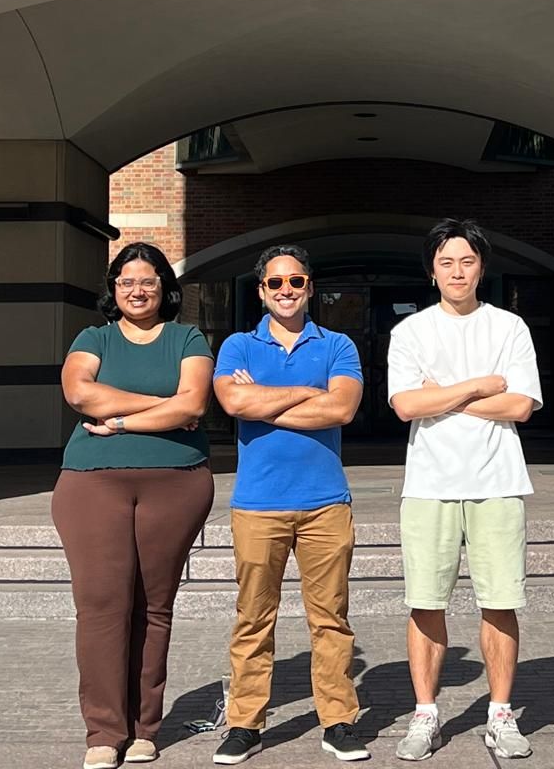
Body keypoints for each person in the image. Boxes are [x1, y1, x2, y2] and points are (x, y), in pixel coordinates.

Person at [54, 241, 217, 769]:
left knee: (153, 604)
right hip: (91, 484)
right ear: (113, 290)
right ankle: (104, 731)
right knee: (101, 605)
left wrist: (122, 418)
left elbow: (194, 403)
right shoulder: (93, 337)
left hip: (176, 482)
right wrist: (161, 407)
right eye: (126, 282)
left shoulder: (186, 336)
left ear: (164, 288)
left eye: (147, 281)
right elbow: (80, 395)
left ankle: (145, 727)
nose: (137, 290)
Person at [386, 218, 543, 761]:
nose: (457, 271)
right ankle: (425, 714)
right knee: (426, 602)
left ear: (482, 266)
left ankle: (500, 714)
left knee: (500, 601)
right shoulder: (409, 332)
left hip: (498, 480)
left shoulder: (509, 327)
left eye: (467, 261)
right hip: (429, 483)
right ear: (431, 271)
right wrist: (479, 385)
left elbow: (519, 406)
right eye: (446, 262)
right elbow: (406, 405)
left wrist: (443, 394)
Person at [210, 244, 369, 764]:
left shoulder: (339, 344)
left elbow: (342, 408)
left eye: (295, 282)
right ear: (261, 290)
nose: (286, 291)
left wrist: (267, 402)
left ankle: (339, 720)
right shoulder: (236, 345)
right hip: (257, 504)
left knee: (331, 620)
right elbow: (233, 402)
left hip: (326, 503)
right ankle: (245, 723)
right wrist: (306, 395)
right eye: (275, 283)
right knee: (253, 618)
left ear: (309, 287)